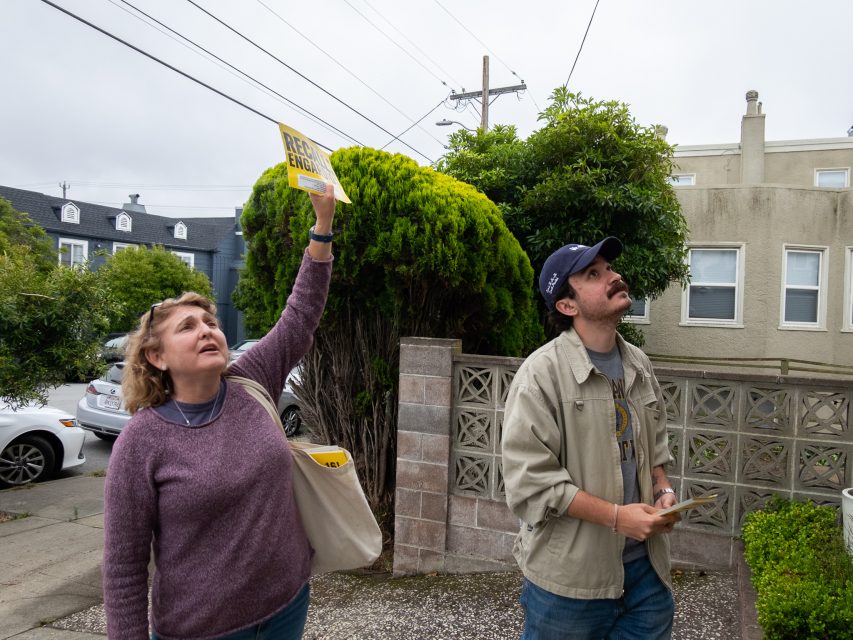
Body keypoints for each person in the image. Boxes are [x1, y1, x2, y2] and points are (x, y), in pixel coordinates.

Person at [102, 184, 337, 639]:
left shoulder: (251, 381)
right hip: (203, 629)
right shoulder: (143, 441)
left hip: (288, 601)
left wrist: (322, 229)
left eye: (210, 322)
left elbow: (301, 313)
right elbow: (124, 567)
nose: (207, 330)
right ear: (156, 357)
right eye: (187, 327)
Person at [501, 237, 680, 640]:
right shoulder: (540, 375)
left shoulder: (638, 362)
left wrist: (663, 489)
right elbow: (532, 482)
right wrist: (619, 518)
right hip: (569, 584)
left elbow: (656, 443)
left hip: (646, 573)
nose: (614, 277)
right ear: (568, 305)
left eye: (609, 269)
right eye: (594, 274)